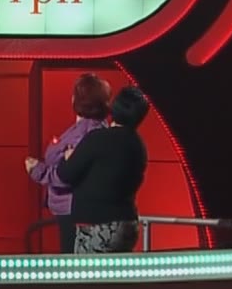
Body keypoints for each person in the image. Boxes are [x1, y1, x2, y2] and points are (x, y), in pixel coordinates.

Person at [56, 86, 149, 254]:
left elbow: (66, 174)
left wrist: (68, 157)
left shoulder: (98, 138)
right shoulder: (138, 145)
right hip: (127, 225)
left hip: (97, 227)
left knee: (89, 271)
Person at [25, 73, 111, 253]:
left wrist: (38, 171)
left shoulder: (85, 134)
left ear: (75, 100)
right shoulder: (100, 130)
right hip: (80, 209)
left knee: (73, 261)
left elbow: (70, 174)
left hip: (74, 210)